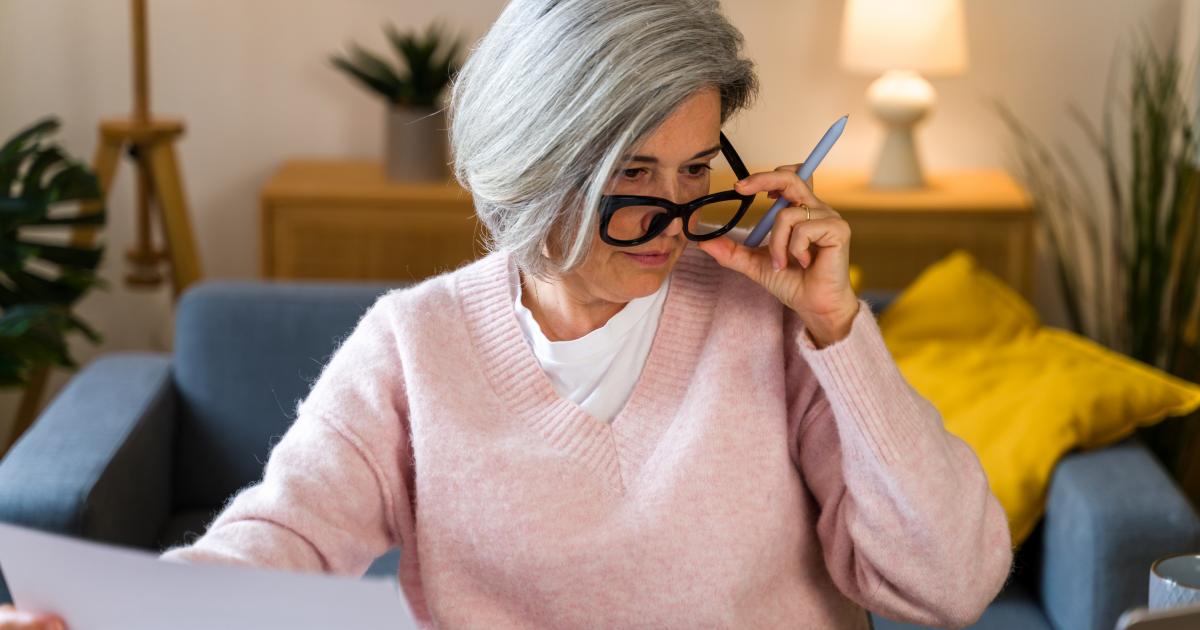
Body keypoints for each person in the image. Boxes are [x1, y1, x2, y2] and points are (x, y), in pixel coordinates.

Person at [0, 0, 1012, 627]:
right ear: (532, 172)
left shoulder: (773, 326)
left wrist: (842, 333)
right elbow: (284, 538)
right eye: (632, 179)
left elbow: (952, 584)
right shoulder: (415, 344)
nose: (672, 217)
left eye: (698, 170)